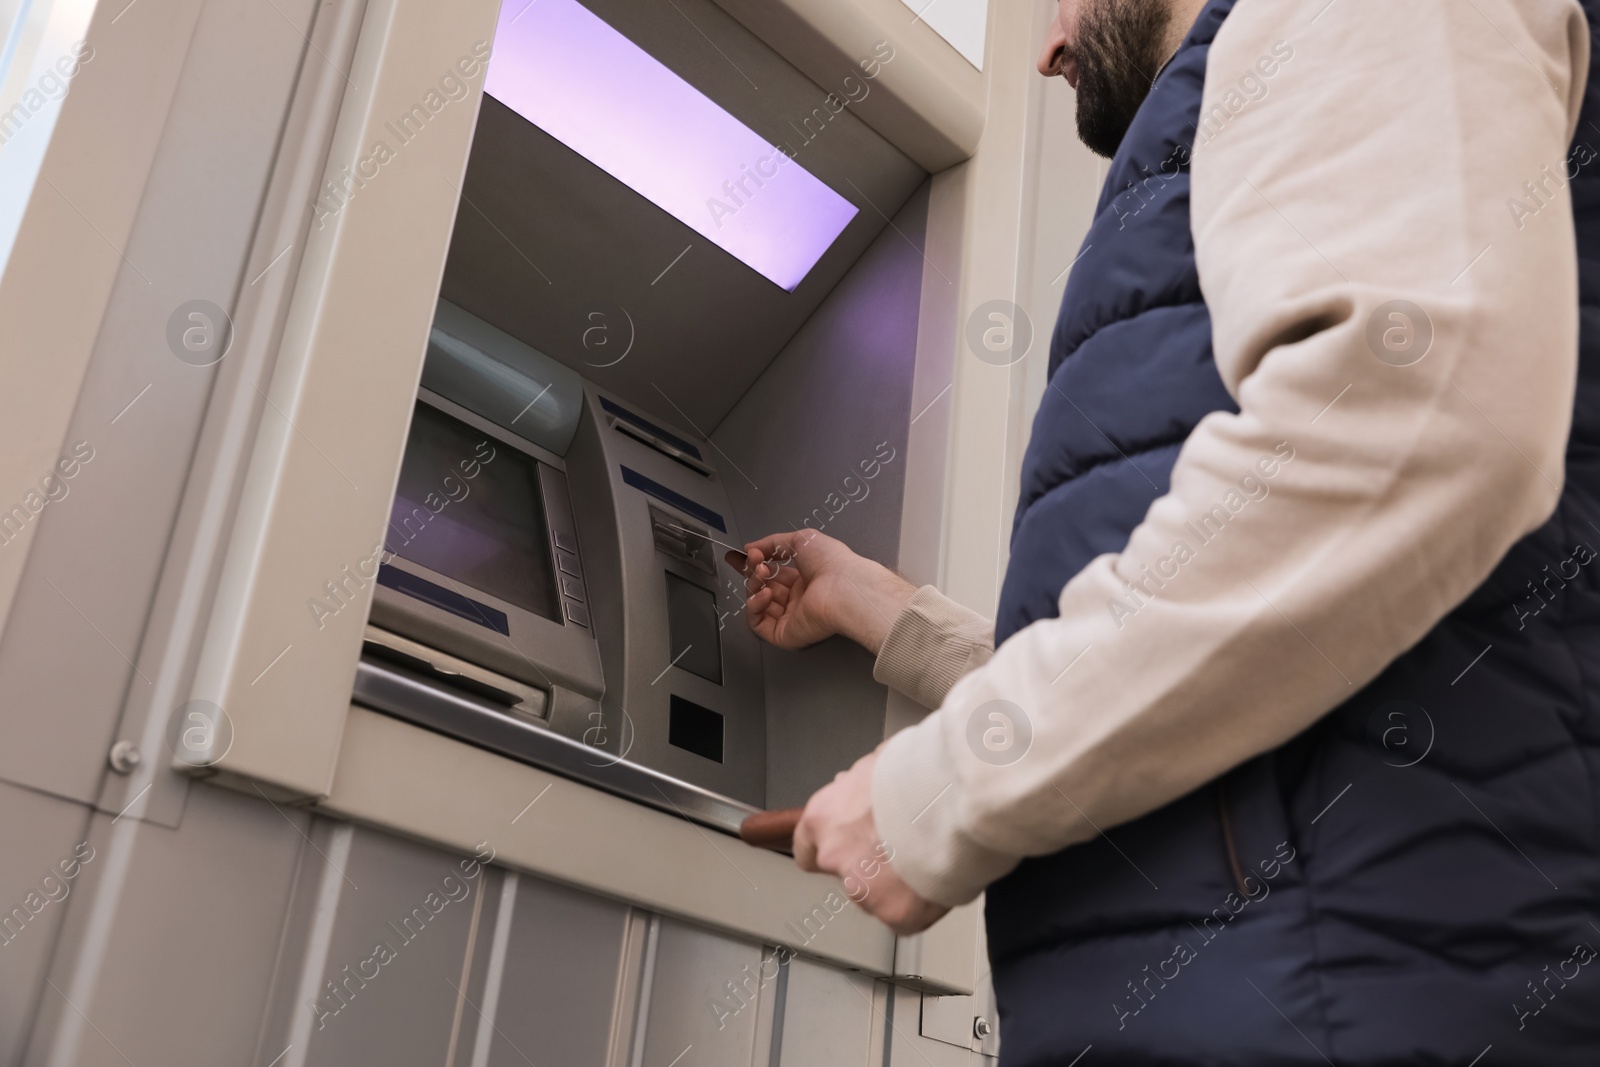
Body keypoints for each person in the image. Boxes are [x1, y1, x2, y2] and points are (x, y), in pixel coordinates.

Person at [733, 0, 1600, 1062]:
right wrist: (883, 611)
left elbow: (1411, 425)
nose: (1045, 47)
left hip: (1330, 998)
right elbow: (1252, 656)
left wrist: (943, 789)